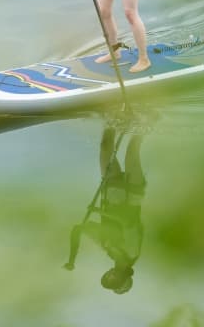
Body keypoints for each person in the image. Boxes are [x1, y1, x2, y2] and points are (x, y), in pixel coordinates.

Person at [63, 126, 146, 294]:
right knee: (133, 146)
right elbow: (127, 221)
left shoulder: (107, 247)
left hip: (112, 191)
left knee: (105, 146)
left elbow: (78, 229)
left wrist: (72, 258)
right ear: (123, 276)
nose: (110, 276)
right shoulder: (131, 251)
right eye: (113, 280)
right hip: (132, 192)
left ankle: (113, 116)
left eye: (107, 279)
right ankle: (147, 115)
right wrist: (99, 212)